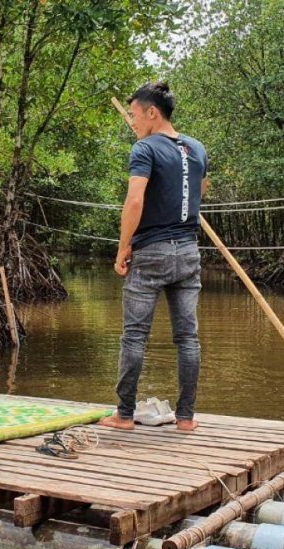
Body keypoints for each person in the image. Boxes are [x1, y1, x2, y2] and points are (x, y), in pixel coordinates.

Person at [99, 82, 209, 432]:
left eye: (135, 115)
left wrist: (122, 247)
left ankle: (124, 415)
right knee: (187, 338)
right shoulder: (197, 148)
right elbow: (200, 189)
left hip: (151, 253)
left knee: (134, 336)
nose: (132, 122)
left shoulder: (144, 149)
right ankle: (186, 418)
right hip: (189, 251)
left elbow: (134, 202)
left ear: (152, 112)